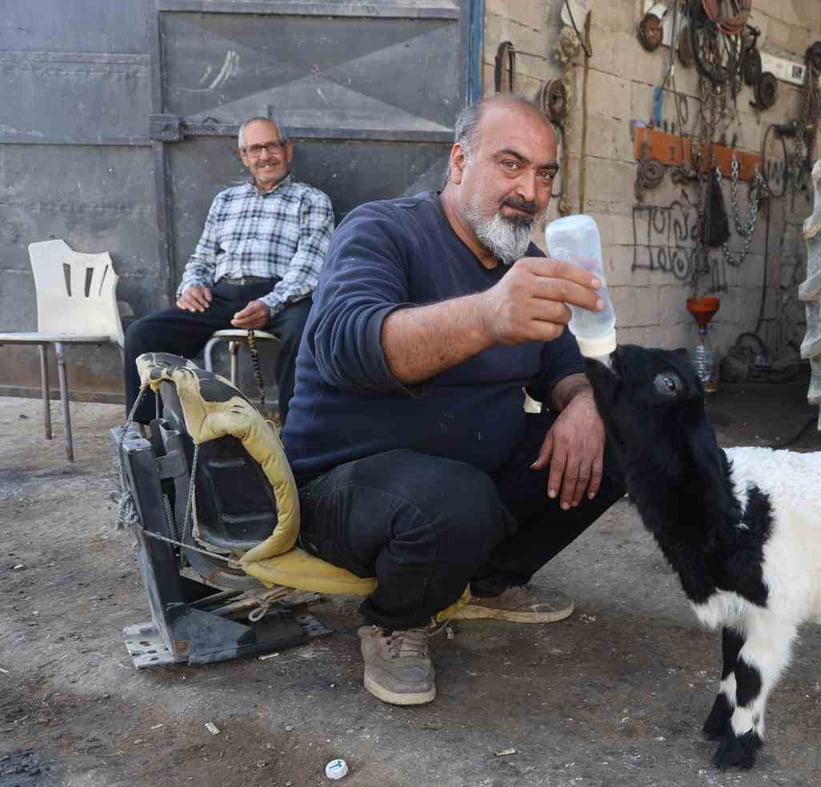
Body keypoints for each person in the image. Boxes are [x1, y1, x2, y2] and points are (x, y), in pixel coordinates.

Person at [283, 94, 624, 706]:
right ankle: (395, 619)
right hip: (343, 484)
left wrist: (582, 406)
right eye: (511, 164)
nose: (530, 190)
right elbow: (346, 344)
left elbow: (566, 368)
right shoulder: (381, 230)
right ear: (460, 161)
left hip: (466, 469)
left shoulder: (528, 262)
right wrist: (489, 315)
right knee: (453, 502)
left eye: (544, 174)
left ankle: (487, 584)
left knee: (628, 428)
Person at [123, 116, 334, 426]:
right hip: (223, 296)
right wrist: (192, 285)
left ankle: (297, 436)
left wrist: (269, 303)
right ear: (244, 156)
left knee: (305, 333)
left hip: (281, 296)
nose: (265, 156)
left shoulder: (311, 200)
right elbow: (202, 257)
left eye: (272, 146)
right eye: (255, 149)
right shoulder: (225, 201)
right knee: (143, 334)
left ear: (287, 150)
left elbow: (309, 267)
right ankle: (149, 437)